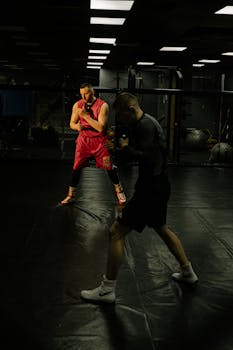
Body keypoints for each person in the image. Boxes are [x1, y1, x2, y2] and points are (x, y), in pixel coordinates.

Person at [80, 92, 198, 303]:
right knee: (161, 227)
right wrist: (120, 148)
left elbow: (148, 158)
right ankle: (188, 272)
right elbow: (144, 153)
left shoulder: (145, 126)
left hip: (151, 189)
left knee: (116, 231)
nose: (122, 120)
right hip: (160, 185)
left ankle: (107, 290)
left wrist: (121, 151)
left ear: (131, 110)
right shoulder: (147, 122)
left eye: (123, 116)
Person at [60, 83, 126, 206]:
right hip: (84, 141)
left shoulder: (103, 106)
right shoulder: (78, 105)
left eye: (86, 93)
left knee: (109, 168)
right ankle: (70, 196)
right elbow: (72, 123)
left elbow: (101, 128)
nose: (84, 97)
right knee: (76, 168)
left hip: (100, 141)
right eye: (81, 94)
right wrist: (76, 126)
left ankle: (120, 192)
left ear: (93, 92)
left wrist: (85, 116)